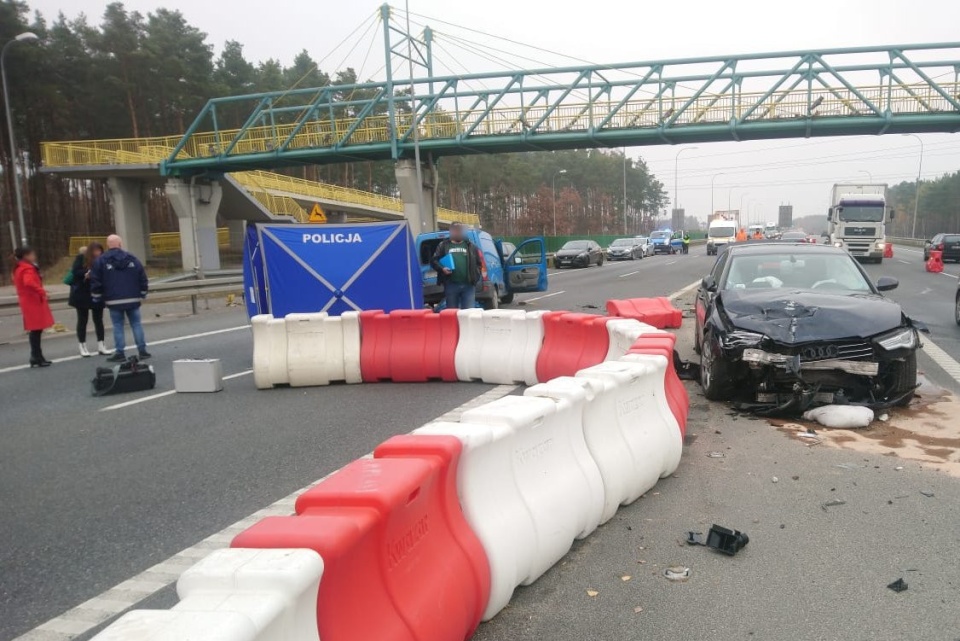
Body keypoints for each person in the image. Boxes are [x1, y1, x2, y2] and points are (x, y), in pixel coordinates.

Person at [91, 234, 150, 362]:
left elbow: (96, 281)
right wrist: (143, 292)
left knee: (118, 326)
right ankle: (142, 350)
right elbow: (142, 277)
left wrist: (97, 297)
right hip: (133, 298)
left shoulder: (101, 260)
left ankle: (120, 352)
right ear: (120, 244)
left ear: (107, 245)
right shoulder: (132, 258)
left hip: (113, 299)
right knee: (136, 324)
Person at [13, 246, 55, 367]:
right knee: (36, 330)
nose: (34, 256)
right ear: (26, 256)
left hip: (27, 300)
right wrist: (42, 292)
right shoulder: (27, 268)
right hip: (32, 300)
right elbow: (29, 282)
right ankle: (36, 356)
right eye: (32, 254)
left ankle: (37, 355)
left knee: (36, 330)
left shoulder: (19, 267)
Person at [69, 242, 110, 357]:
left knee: (99, 320)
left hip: (96, 292)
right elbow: (75, 272)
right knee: (83, 320)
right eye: (96, 251)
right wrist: (86, 274)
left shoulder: (103, 260)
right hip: (82, 293)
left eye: (100, 251)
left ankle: (101, 345)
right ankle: (82, 345)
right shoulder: (81, 258)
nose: (98, 253)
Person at [430, 222, 484, 310]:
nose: (458, 232)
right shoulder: (443, 245)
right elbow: (433, 261)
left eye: (460, 230)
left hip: (468, 286)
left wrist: (476, 276)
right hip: (451, 285)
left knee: (468, 313)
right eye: (456, 230)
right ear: (451, 232)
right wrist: (442, 269)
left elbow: (478, 263)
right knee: (452, 313)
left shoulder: (470, 246)